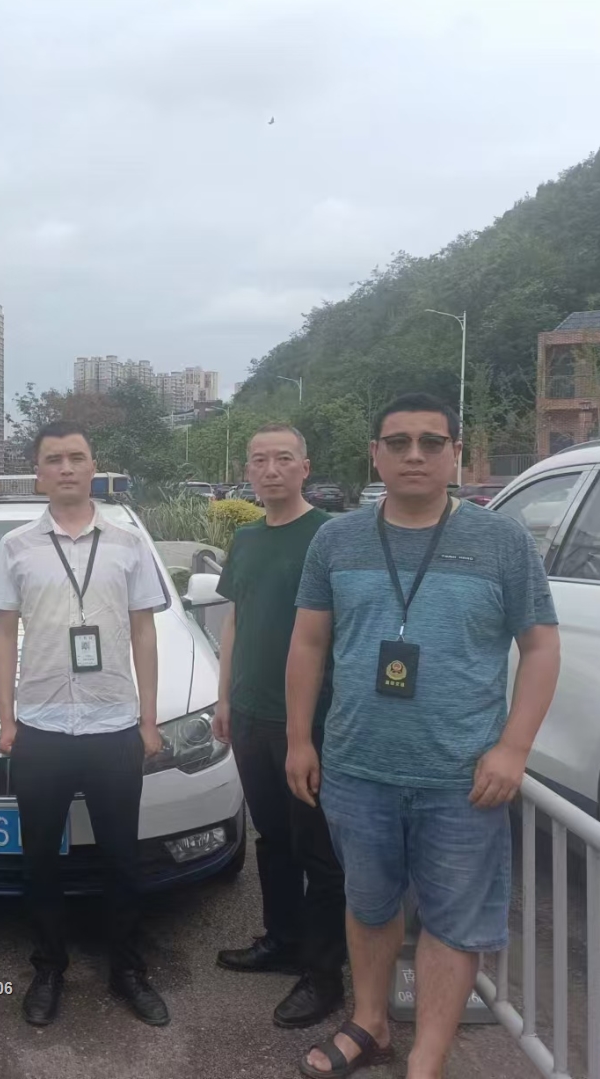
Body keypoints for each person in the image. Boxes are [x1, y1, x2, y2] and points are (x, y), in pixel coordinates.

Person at [286, 393, 561, 1079]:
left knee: (453, 921)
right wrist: (299, 739)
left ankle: (427, 1059)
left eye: (431, 442)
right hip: (358, 767)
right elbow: (308, 642)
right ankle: (370, 1022)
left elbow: (541, 647)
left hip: (462, 777)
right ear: (375, 454)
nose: (415, 454)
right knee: (368, 904)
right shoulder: (336, 540)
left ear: (454, 453)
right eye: (399, 441)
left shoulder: (502, 542)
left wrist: (514, 748)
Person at [0, 421, 172, 1029]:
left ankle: (127, 971)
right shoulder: (16, 545)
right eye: (53, 459)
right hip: (40, 726)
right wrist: (7, 718)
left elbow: (144, 631)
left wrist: (148, 720)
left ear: (93, 467)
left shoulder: (127, 543)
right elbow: (3, 631)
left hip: (113, 724)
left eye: (76, 457)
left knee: (121, 858)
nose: (65, 468)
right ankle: (48, 969)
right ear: (38, 473)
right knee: (40, 859)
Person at [212, 424, 347, 1029]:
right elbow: (235, 621)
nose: (270, 470)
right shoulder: (245, 539)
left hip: (309, 721)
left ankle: (324, 973)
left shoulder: (330, 536)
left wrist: (309, 727)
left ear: (305, 467)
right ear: (248, 470)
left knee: (318, 848)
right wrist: (224, 699)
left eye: (283, 459)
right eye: (259, 460)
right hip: (249, 714)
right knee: (272, 838)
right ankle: (282, 940)